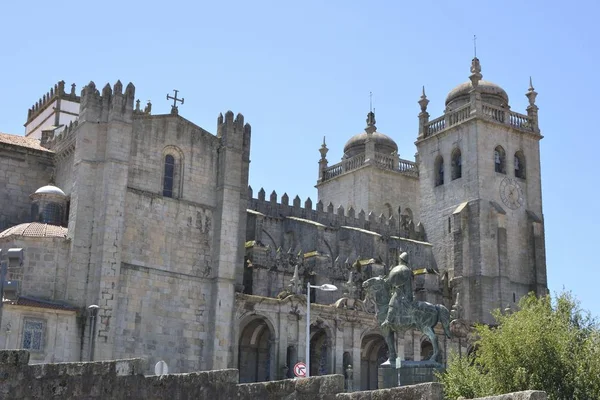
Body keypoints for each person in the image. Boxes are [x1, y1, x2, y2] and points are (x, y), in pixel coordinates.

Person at [381, 252, 414, 329]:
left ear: (401, 260)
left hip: (401, 292)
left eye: (400, 259)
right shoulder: (406, 270)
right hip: (405, 292)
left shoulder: (403, 270)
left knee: (392, 302)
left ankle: (388, 320)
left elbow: (402, 283)